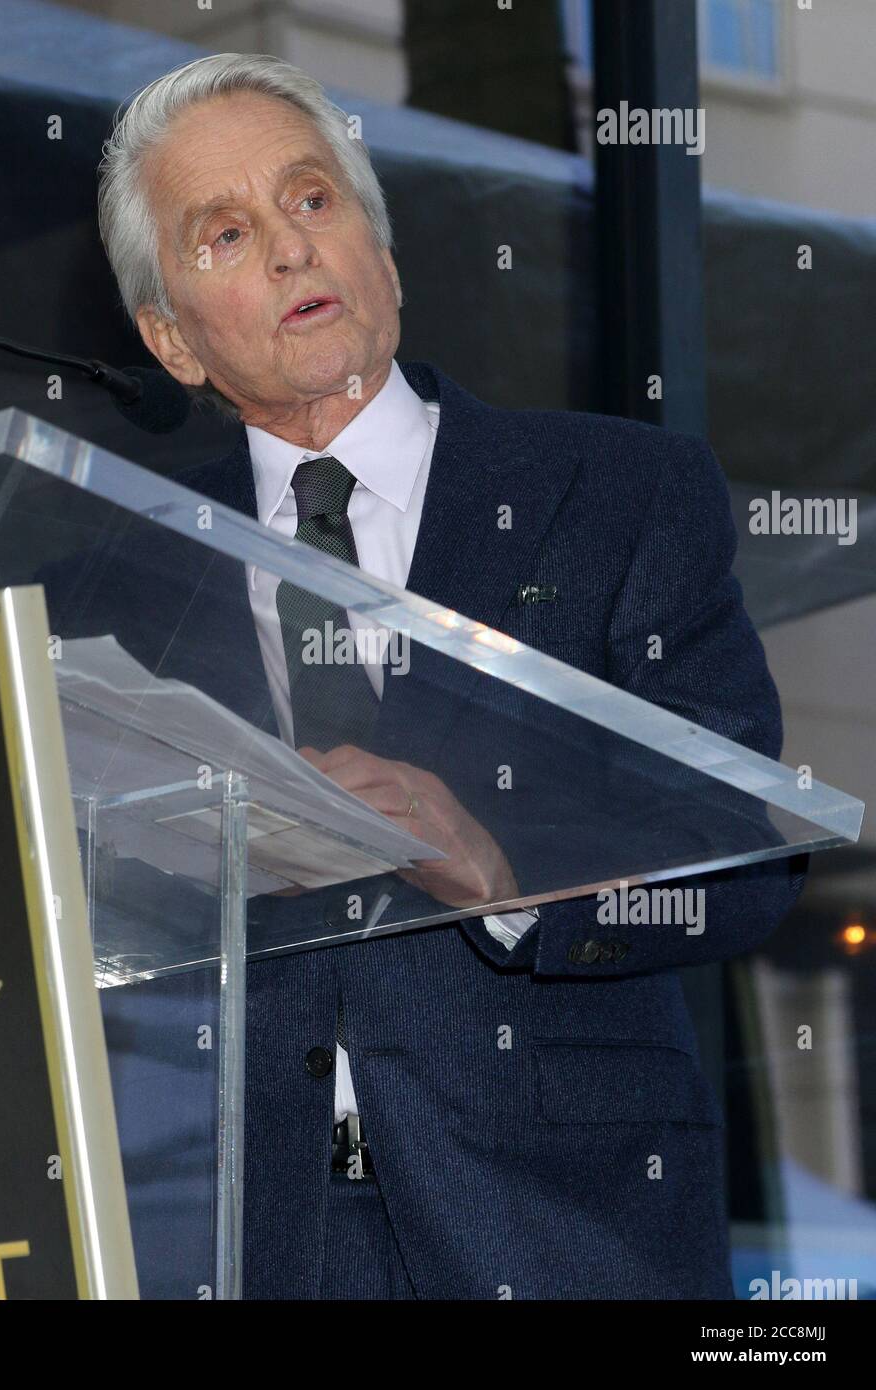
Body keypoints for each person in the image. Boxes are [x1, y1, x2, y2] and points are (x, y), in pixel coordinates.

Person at [90, 52, 806, 1299]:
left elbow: (741, 860)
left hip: (561, 1230)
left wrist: (511, 878)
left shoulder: (619, 495)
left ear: (383, 251)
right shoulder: (119, 580)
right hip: (236, 1243)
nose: (289, 250)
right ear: (171, 340)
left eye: (313, 201)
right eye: (225, 232)